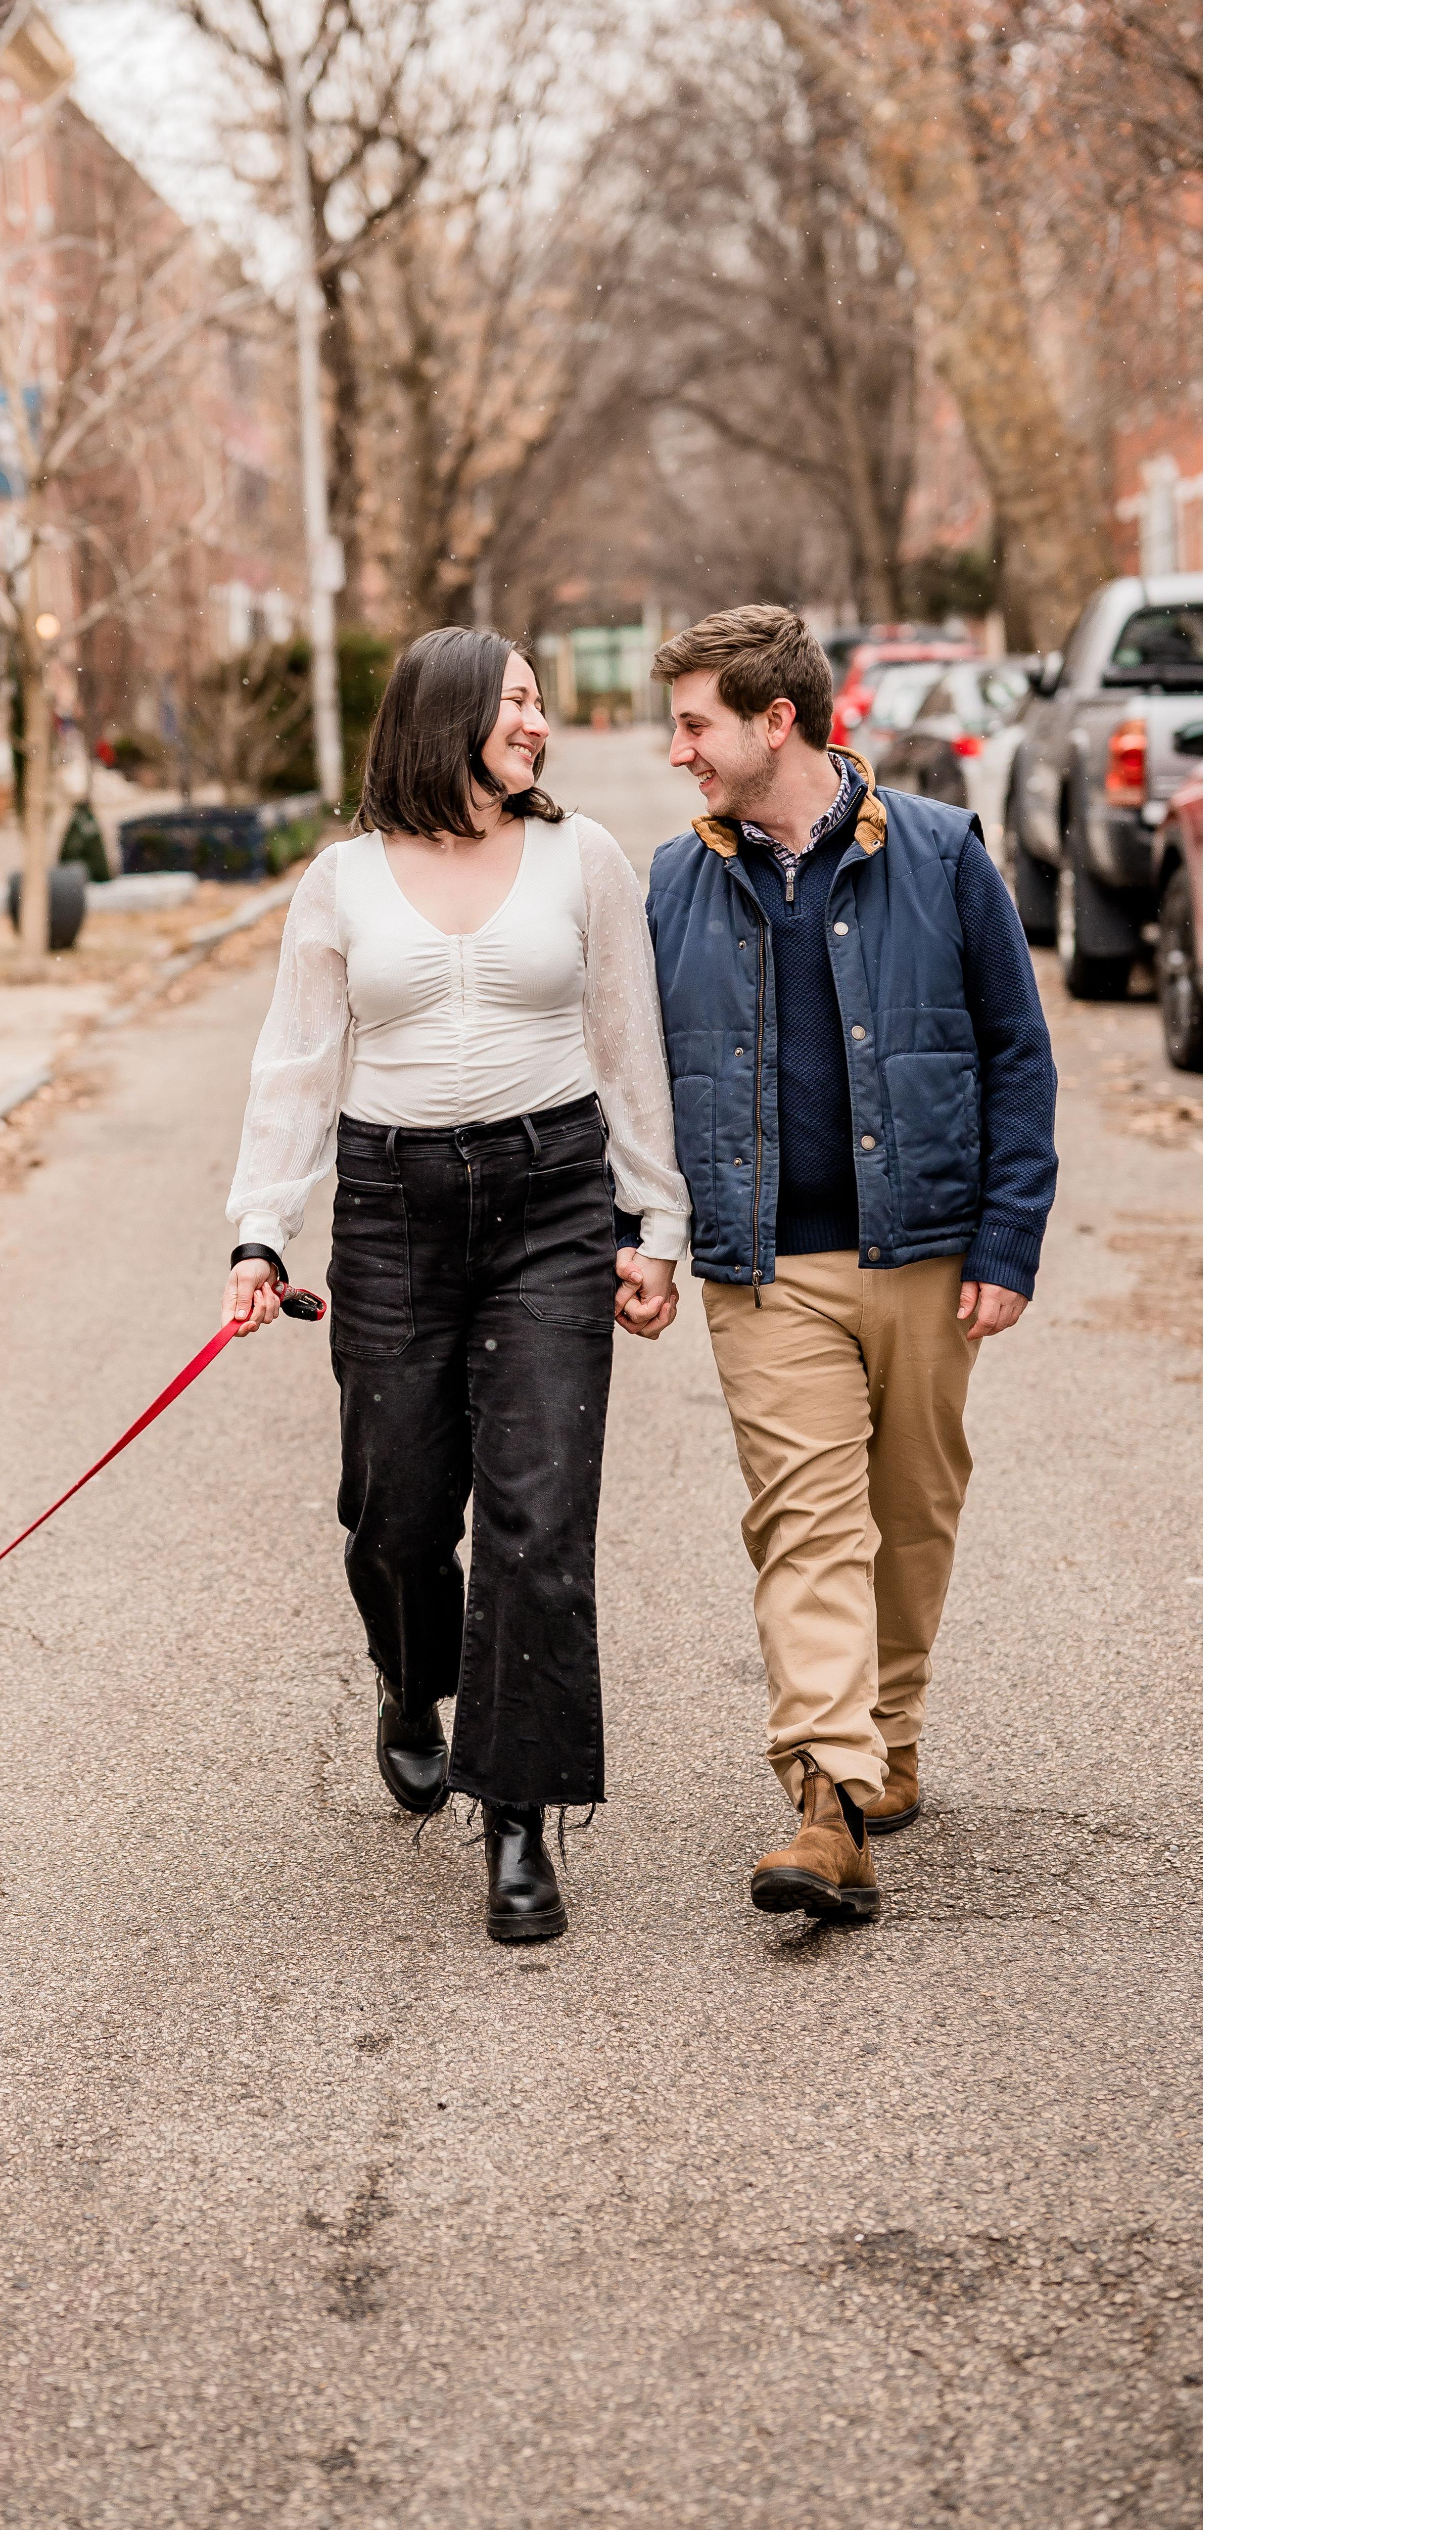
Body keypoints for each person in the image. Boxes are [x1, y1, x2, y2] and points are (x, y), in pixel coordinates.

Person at [221, 626, 690, 1944]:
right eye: (519, 702)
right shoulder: (344, 879)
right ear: (450, 719)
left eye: (539, 701)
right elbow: (296, 1063)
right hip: (393, 1217)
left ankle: (519, 1817)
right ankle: (410, 1677)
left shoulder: (580, 858)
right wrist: (261, 1234)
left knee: (539, 1523)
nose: (538, 723)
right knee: (400, 1511)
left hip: (552, 1203)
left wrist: (655, 1221)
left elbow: (626, 1041)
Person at [639, 605, 1058, 1926]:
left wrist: (1007, 1238)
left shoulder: (939, 854)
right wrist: (640, 1233)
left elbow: (1016, 1053)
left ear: (778, 722)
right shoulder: (673, 882)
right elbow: (633, 1082)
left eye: (695, 724)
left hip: (927, 1252)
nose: (677, 753)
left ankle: (891, 1732)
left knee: (914, 1510)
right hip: (765, 1266)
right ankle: (827, 1802)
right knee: (809, 1525)